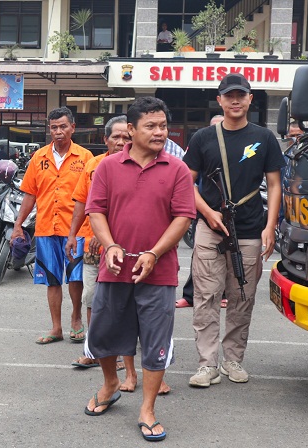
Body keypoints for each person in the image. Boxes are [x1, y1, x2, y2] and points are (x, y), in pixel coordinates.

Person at [82, 97, 195, 442]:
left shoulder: (177, 169)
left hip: (159, 272)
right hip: (114, 267)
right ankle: (110, 384)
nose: (160, 132)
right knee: (103, 333)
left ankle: (147, 408)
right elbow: (96, 210)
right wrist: (110, 245)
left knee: (156, 341)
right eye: (151, 126)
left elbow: (183, 217)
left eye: (163, 126)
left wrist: (155, 253)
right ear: (131, 130)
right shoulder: (108, 167)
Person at [183, 73, 284, 387]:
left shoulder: (264, 138)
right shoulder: (203, 138)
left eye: (241, 95)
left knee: (242, 296)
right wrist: (207, 212)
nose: (236, 101)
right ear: (220, 100)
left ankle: (233, 359)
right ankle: (207, 364)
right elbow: (185, 182)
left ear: (250, 99)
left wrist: (270, 227)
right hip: (210, 228)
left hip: (251, 228)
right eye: (229, 96)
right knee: (206, 296)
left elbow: (274, 184)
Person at [11, 107, 92, 345]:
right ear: (49, 129)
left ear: (72, 128)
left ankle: (76, 319)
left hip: (77, 230)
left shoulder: (85, 158)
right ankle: (56, 328)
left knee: (76, 278)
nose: (58, 131)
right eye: (54, 127)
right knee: (51, 278)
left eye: (63, 126)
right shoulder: (39, 158)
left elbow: (93, 195)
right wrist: (18, 224)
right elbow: (30, 194)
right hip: (47, 228)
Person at [65, 115, 130, 369]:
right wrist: (73, 235)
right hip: (92, 247)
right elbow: (82, 202)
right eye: (116, 137)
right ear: (106, 139)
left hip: (125, 248)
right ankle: (93, 350)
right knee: (93, 299)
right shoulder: (93, 165)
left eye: (126, 137)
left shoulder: (138, 166)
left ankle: (122, 355)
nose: (121, 142)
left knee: (122, 303)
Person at [176, 114, 225, 309]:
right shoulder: (202, 143)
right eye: (214, 126)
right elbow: (188, 178)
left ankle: (222, 294)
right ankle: (189, 296)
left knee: (229, 257)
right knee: (199, 257)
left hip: (233, 212)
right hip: (204, 208)